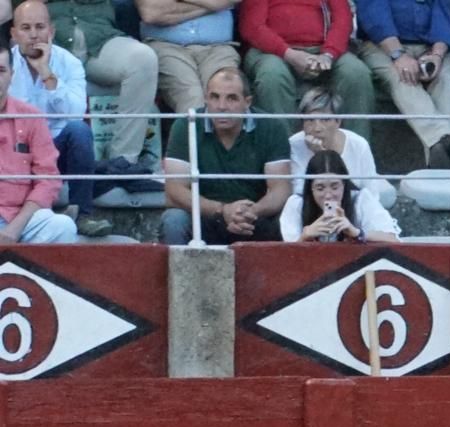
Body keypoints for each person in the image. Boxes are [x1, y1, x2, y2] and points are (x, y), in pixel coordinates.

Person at [160, 66, 291, 244]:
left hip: (252, 219)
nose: (222, 106)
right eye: (215, 97)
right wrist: (222, 210)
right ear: (206, 98)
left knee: (287, 219)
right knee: (173, 220)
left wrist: (251, 212)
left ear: (248, 102)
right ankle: (178, 273)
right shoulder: (186, 125)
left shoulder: (272, 127)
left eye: (232, 98)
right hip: (204, 216)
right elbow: (174, 189)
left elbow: (281, 189)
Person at [9, 1, 107, 236]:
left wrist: (46, 73)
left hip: (56, 149)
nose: (34, 35)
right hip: (16, 151)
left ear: (51, 31)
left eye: (40, 27)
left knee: (79, 131)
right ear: (14, 34)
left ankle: (84, 214)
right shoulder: (5, 66)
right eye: (26, 28)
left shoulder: (69, 63)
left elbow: (75, 113)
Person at [44, 0, 160, 186]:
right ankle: (42, 164)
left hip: (99, 38)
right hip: (50, 40)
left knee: (143, 59)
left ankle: (123, 161)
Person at [356, 0, 450, 170]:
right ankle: (446, 141)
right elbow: (374, 13)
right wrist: (398, 54)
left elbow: (445, 11)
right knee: (403, 77)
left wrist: (437, 55)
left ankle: (441, 159)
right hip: (383, 45)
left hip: (433, 46)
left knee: (445, 77)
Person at [238, 0, 376, 138]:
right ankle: (281, 153)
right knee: (272, 75)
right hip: (270, 51)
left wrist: (328, 54)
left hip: (323, 48)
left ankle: (354, 151)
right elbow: (252, 26)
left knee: (356, 73)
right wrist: (289, 54)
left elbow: (343, 20)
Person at [0, 49, 78, 243]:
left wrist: (13, 230)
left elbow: (48, 179)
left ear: (12, 74)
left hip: (19, 216)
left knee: (62, 227)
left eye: (0, 70)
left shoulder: (30, 116)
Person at [134, 0, 241, 116]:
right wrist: (214, 6)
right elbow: (151, 13)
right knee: (192, 99)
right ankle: (192, 133)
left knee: (225, 93)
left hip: (218, 48)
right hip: (167, 47)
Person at [281, 148, 399, 241]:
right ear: (310, 188)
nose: (328, 195)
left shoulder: (360, 200)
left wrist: (356, 233)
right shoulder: (296, 204)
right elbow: (286, 255)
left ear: (344, 185)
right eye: (320, 188)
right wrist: (304, 236)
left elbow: (393, 240)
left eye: (335, 187)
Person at [289, 89, 385, 193]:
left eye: (325, 120)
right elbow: (299, 191)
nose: (317, 128)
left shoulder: (359, 145)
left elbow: (371, 193)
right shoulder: (294, 144)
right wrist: (319, 159)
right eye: (310, 120)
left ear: (338, 121)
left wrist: (326, 158)